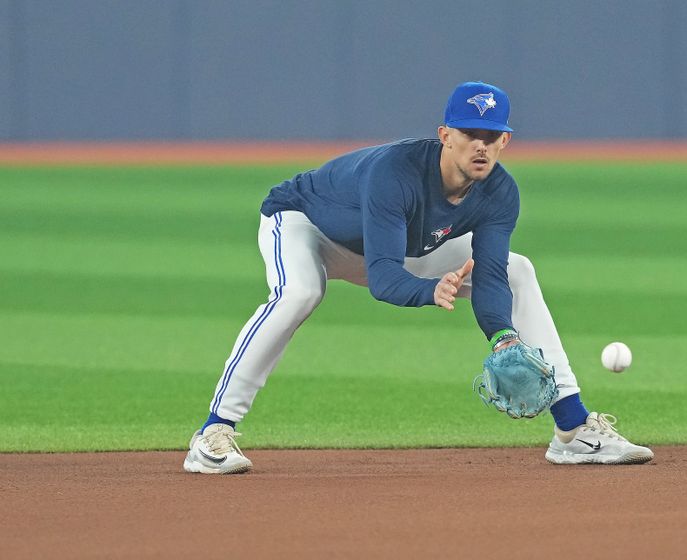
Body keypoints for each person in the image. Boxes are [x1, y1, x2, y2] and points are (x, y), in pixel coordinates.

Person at [182, 81, 654, 474]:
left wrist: (504, 337)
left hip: (393, 244)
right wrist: (431, 290)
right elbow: (385, 278)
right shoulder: (396, 173)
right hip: (307, 225)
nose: (481, 145)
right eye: (470, 133)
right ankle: (213, 433)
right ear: (445, 134)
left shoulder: (500, 192)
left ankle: (572, 429)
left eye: (492, 136)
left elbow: (489, 274)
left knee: (517, 271)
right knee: (300, 292)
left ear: (505, 142)